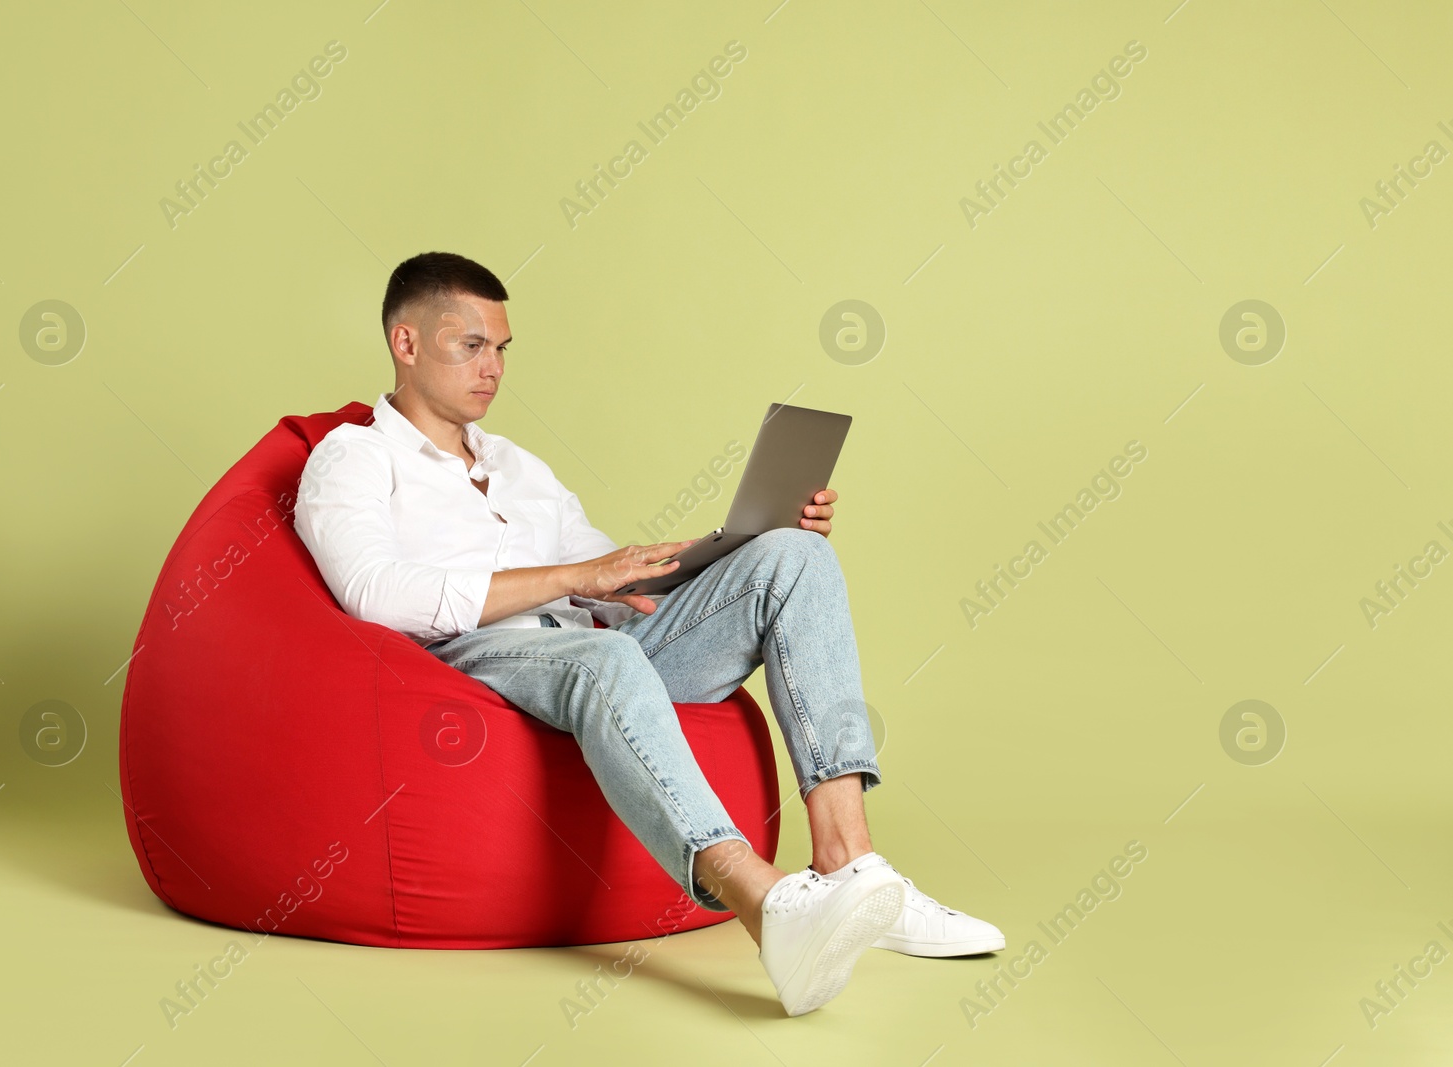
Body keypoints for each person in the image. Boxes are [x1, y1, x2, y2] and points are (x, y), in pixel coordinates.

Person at [294, 251, 1003, 1016]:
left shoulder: (519, 467)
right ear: (405, 344)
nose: (493, 367)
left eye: (502, 347)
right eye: (471, 345)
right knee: (601, 655)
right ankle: (768, 908)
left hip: (600, 649)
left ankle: (852, 865)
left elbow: (612, 584)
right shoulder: (353, 458)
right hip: (478, 661)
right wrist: (575, 578)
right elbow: (374, 595)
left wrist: (730, 549)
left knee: (795, 557)